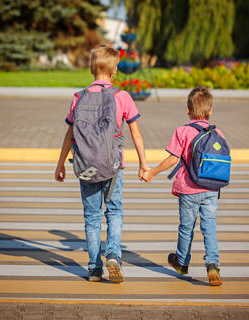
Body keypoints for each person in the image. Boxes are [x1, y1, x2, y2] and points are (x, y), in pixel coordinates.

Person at [55, 46, 148, 283]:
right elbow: (136, 133)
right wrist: (143, 164)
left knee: (92, 216)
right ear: (115, 70)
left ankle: (95, 267)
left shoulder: (79, 97)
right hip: (114, 166)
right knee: (114, 211)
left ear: (90, 69)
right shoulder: (122, 97)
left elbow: (69, 135)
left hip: (85, 166)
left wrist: (60, 164)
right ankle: (113, 256)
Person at [141, 86, 223, 286]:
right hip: (211, 188)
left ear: (188, 110)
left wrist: (152, 172)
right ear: (210, 111)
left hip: (188, 189)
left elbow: (172, 159)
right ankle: (212, 264)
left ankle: (182, 262)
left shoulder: (182, 131)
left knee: (186, 227)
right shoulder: (217, 132)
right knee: (209, 226)